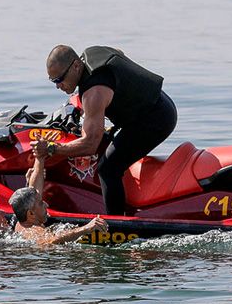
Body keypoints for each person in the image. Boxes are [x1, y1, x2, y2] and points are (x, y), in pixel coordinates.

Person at [40, 44, 177, 215]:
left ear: (75, 66)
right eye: (53, 81)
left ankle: (116, 225)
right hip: (157, 103)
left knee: (108, 168)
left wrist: (52, 148)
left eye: (59, 80)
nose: (57, 86)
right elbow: (119, 54)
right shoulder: (92, 54)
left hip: (155, 120)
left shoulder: (94, 93)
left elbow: (90, 145)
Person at [0, 142, 108, 244]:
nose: (45, 203)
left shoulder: (21, 221)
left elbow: (34, 191)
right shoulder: (29, 230)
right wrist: (86, 228)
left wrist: (40, 159)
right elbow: (49, 241)